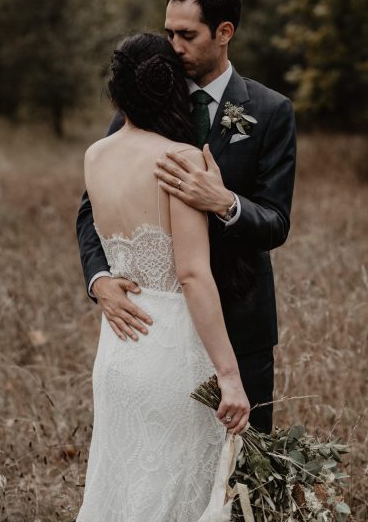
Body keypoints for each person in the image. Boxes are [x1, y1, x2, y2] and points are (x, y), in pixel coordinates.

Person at [77, 0, 297, 435]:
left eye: (187, 35)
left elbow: (276, 223)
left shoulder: (272, 110)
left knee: (243, 469)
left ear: (224, 33)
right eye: (169, 33)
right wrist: (100, 280)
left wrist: (225, 203)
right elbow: (89, 207)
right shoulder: (143, 100)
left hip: (240, 319)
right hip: (160, 326)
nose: (174, 47)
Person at [75, 33, 250, 521]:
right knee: (172, 494)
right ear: (172, 87)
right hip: (173, 347)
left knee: (124, 484)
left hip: (119, 345)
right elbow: (193, 275)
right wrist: (231, 377)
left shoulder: (95, 155)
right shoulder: (181, 159)